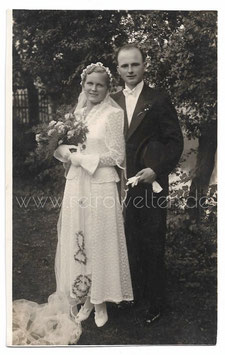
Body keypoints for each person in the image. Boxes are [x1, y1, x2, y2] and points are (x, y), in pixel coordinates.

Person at [12, 63, 133, 345]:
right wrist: (62, 151)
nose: (93, 89)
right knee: (79, 237)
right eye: (89, 84)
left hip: (101, 183)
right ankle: (84, 298)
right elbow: (65, 146)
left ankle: (101, 300)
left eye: (100, 85)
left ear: (107, 88)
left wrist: (81, 158)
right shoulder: (78, 113)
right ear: (83, 85)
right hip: (77, 183)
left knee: (99, 239)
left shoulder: (114, 114)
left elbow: (116, 156)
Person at [112, 44, 183, 325]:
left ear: (144, 66)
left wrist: (156, 169)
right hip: (118, 184)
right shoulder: (112, 100)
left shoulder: (159, 99)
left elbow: (174, 141)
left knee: (152, 240)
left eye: (135, 65)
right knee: (126, 239)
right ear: (117, 69)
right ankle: (132, 295)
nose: (130, 70)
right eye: (124, 66)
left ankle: (156, 302)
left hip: (150, 183)